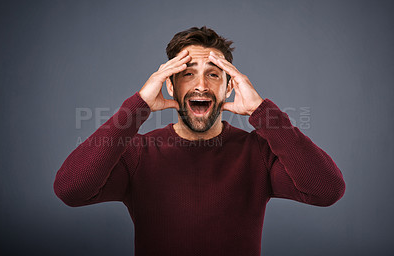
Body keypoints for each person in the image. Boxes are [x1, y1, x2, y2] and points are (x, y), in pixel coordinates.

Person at [54, 26, 346, 256]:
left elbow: (327, 190)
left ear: (229, 87)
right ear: (169, 84)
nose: (201, 85)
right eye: (188, 73)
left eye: (214, 75)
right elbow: (71, 190)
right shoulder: (139, 153)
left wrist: (262, 112)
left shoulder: (257, 152)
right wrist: (137, 107)